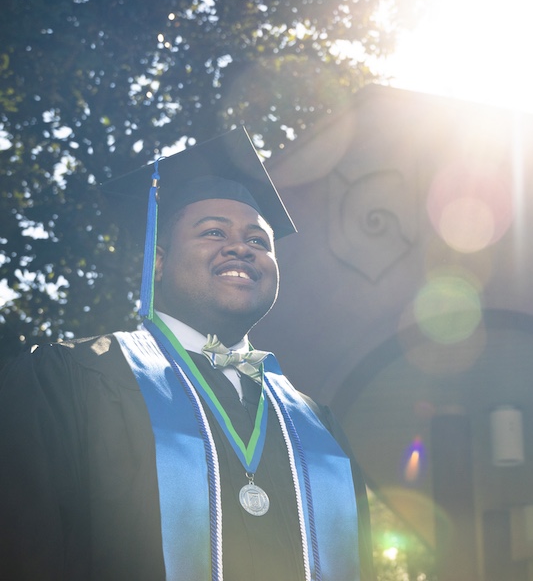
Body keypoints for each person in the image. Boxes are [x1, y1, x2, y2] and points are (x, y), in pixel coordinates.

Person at [0, 127, 373, 581]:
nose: (241, 247)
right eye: (213, 231)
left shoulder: (317, 423)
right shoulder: (72, 378)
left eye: (259, 241)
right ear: (157, 261)